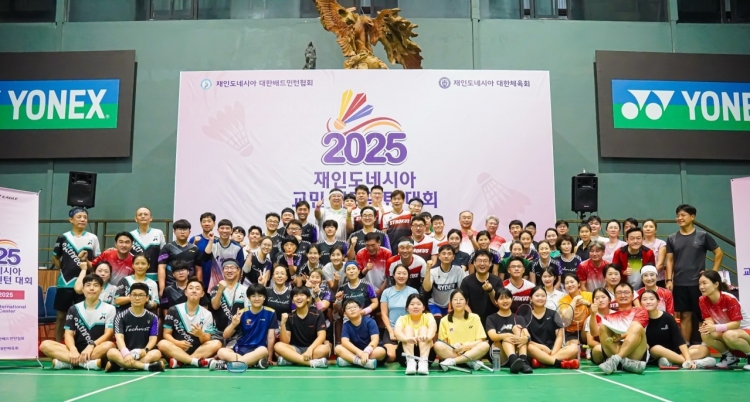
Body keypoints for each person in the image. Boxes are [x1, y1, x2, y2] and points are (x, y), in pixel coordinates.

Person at [666, 204, 723, 345]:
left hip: (699, 284)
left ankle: (705, 345)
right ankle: (685, 344)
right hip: (679, 283)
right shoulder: (672, 238)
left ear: (692, 217)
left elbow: (719, 253)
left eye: (683, 215)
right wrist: (669, 280)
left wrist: (712, 273)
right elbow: (669, 260)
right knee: (685, 315)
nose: (679, 218)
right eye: (678, 215)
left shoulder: (703, 236)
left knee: (702, 315)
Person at [40, 274, 116, 370]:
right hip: (75, 350)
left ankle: (69, 363)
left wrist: (91, 345)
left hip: (96, 349)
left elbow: (108, 334)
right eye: (88, 285)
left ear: (101, 289)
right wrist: (73, 349)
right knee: (45, 345)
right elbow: (68, 334)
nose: (91, 288)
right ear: (83, 289)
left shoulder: (110, 309)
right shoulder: (74, 309)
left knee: (109, 345)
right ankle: (85, 364)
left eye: (95, 285)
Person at [52, 207, 101, 342]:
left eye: (85, 217)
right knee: (61, 315)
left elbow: (96, 261)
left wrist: (87, 263)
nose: (82, 220)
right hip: (65, 283)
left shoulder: (93, 238)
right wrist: (64, 268)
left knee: (82, 316)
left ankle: (81, 344)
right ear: (71, 220)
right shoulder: (63, 237)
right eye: (79, 217)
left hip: (85, 284)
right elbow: (55, 257)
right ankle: (58, 344)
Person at [209, 284, 278, 371]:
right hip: (241, 349)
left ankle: (226, 365)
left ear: (264, 297)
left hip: (258, 350)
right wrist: (233, 324)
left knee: (264, 350)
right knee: (221, 352)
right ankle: (251, 363)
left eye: (260, 296)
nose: (257, 299)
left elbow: (271, 337)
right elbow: (225, 335)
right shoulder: (242, 313)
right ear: (249, 298)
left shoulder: (271, 312)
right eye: (253, 296)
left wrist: (269, 358)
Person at [641, 289, 715, 369]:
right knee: (656, 349)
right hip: (654, 353)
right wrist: (687, 359)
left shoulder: (668, 317)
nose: (648, 302)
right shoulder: (640, 319)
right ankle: (692, 362)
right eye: (644, 299)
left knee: (703, 349)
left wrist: (688, 357)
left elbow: (679, 340)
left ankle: (672, 361)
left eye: (652, 299)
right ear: (640, 302)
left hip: (674, 351)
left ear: (658, 301)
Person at [158, 277, 222, 368]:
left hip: (198, 350)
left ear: (202, 294)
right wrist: (177, 343)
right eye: (191, 288)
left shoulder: (207, 314)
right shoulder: (174, 310)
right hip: (178, 348)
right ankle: (195, 361)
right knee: (162, 343)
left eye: (197, 288)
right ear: (186, 292)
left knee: (217, 343)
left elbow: (206, 340)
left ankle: (181, 361)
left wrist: (201, 334)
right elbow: (166, 334)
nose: (194, 291)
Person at [104, 282, 164, 372]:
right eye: (134, 295)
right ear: (130, 297)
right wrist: (126, 354)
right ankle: (146, 366)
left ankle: (120, 366)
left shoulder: (153, 317)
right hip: (124, 352)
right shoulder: (120, 316)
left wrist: (145, 350)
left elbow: (153, 338)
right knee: (111, 352)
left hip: (143, 353)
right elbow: (119, 338)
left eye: (141, 295)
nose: (137, 298)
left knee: (157, 353)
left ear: (147, 298)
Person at [697, 270, 750, 370]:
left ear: (716, 284)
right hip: (728, 331)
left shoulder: (729, 298)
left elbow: (736, 324)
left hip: (745, 331)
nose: (701, 287)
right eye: (699, 284)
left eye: (704, 283)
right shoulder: (702, 300)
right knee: (705, 334)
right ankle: (730, 357)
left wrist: (715, 327)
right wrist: (708, 326)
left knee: (729, 334)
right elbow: (708, 319)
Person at [597, 282, 650, 375]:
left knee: (637, 327)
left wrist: (620, 337)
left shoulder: (640, 311)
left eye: (626, 292)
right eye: (619, 293)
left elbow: (634, 330)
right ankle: (627, 363)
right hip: (615, 349)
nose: (623, 295)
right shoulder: (608, 316)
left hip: (635, 351)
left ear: (632, 296)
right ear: (615, 297)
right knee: (602, 327)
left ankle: (615, 360)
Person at [436, 290, 492, 372]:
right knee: (437, 345)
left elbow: (480, 340)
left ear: (466, 302)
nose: (458, 302)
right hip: (454, 351)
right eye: (455, 299)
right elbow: (444, 342)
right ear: (450, 303)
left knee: (485, 345)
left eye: (461, 299)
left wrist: (465, 347)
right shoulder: (444, 320)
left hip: (471, 351)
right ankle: (468, 361)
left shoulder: (475, 318)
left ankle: (453, 361)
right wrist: (454, 346)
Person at [274, 287, 330, 368]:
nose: (298, 297)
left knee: (324, 349)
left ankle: (292, 360)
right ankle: (310, 363)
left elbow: (322, 336)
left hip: (313, 348)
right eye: (295, 296)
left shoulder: (318, 314)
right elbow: (285, 341)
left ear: (308, 298)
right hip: (295, 349)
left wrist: (310, 349)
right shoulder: (289, 317)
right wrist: (282, 323)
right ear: (292, 300)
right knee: (278, 346)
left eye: (302, 295)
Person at [526, 286, 580, 369]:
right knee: (528, 347)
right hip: (537, 349)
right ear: (531, 298)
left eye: (543, 296)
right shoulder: (526, 316)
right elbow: (527, 339)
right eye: (537, 296)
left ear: (546, 298)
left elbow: (559, 337)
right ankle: (557, 362)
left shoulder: (554, 314)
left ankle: (543, 361)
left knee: (574, 348)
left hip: (553, 350)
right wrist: (542, 347)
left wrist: (552, 352)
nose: (540, 298)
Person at [485, 288, 533, 374]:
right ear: (496, 301)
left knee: (518, 328)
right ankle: (513, 360)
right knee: (506, 338)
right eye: (501, 298)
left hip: (517, 352)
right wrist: (506, 335)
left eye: (507, 298)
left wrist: (525, 339)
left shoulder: (519, 318)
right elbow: (493, 336)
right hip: (499, 356)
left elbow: (527, 335)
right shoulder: (491, 318)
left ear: (512, 299)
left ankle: (523, 361)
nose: (505, 301)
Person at [380, 264, 419, 362]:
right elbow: (384, 314)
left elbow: (417, 313)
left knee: (406, 355)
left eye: (404, 273)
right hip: (392, 329)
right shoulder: (386, 292)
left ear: (408, 276)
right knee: (391, 356)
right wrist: (391, 331)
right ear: (393, 275)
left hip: (408, 329)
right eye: (399, 273)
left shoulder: (413, 291)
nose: (401, 276)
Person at [335, 299, 386, 369]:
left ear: (360, 309)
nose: (352, 309)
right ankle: (362, 362)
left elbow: (375, 340)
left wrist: (366, 352)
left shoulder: (370, 321)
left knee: (381, 352)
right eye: (349, 308)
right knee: (338, 348)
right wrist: (360, 353)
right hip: (356, 351)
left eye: (355, 307)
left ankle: (351, 360)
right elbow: (345, 342)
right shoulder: (346, 325)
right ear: (345, 313)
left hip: (371, 350)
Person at [394, 294, 437, 375]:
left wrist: (427, 337)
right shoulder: (402, 319)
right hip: (405, 355)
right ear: (407, 308)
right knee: (408, 328)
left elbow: (433, 328)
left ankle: (423, 363)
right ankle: (410, 362)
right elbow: (397, 332)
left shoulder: (428, 316)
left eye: (418, 304)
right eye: (412, 304)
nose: (415, 306)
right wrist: (407, 339)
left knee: (423, 328)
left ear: (423, 307)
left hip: (427, 355)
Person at [158, 219, 202, 298]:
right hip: (170, 285)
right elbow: (161, 267)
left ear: (189, 232)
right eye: (179, 229)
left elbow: (198, 269)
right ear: (174, 232)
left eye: (185, 229)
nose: (182, 232)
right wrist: (162, 288)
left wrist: (199, 286)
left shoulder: (195, 248)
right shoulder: (167, 247)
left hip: (189, 287)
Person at [208, 259, 248, 344]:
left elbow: (249, 311)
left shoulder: (245, 290)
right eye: (226, 268)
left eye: (232, 268)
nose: (229, 270)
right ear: (222, 271)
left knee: (230, 349)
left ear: (238, 271)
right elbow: (215, 306)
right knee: (214, 346)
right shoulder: (215, 288)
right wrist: (220, 290)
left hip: (238, 333)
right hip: (218, 332)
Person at [423, 245, 468, 320]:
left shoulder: (459, 270)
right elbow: (427, 289)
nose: (446, 256)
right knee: (437, 321)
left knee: (452, 321)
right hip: (435, 304)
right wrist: (427, 269)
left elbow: (463, 290)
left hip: (452, 304)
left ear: (453, 257)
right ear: (439, 256)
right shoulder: (433, 271)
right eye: (443, 253)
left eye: (449, 254)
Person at [459, 249, 501, 328]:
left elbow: (499, 304)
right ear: (474, 263)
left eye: (485, 261)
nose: (482, 263)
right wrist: (473, 318)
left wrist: (491, 290)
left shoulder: (497, 281)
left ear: (490, 263)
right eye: (479, 261)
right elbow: (462, 302)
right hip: (472, 320)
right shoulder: (466, 281)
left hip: (493, 322)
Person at [200, 219, 245, 290]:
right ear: (218, 230)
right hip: (214, 284)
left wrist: (235, 287)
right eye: (222, 228)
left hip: (231, 285)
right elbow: (205, 259)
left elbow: (239, 269)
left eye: (227, 228)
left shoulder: (237, 248)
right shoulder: (213, 244)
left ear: (231, 231)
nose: (224, 231)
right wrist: (211, 240)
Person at [130, 207, 166, 281]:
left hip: (155, 276)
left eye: (145, 214)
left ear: (151, 218)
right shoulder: (131, 235)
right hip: (135, 277)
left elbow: (163, 256)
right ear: (136, 219)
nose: (143, 216)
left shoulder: (158, 233)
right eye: (140, 214)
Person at [558, 274, 592, 348]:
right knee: (574, 346)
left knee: (588, 321)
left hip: (586, 330)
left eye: (572, 282)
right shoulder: (563, 300)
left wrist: (589, 305)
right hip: (570, 331)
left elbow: (594, 315)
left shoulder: (589, 295)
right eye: (567, 283)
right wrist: (574, 300)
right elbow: (567, 318)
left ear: (579, 283)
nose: (569, 285)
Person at [353, 232, 392, 296]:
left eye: (373, 245)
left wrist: (380, 291)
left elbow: (389, 276)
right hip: (366, 289)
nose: (370, 248)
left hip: (384, 288)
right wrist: (366, 269)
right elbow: (358, 276)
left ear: (379, 243)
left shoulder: (387, 253)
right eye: (367, 245)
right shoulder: (360, 253)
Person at [191, 212, 217, 288]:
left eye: (209, 221)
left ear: (214, 223)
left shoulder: (218, 240)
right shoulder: (194, 239)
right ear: (200, 224)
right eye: (204, 221)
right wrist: (194, 244)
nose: (206, 224)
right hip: (198, 277)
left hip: (215, 278)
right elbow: (189, 257)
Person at [381, 190, 412, 254]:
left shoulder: (409, 214)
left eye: (399, 199)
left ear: (403, 200)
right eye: (394, 199)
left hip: (407, 247)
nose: (396, 201)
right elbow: (384, 235)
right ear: (391, 201)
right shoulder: (385, 216)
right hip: (392, 247)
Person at [642, 219, 667, 287]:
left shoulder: (661, 243)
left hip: (657, 279)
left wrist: (650, 276)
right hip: (642, 279)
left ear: (655, 230)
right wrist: (644, 276)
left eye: (651, 226)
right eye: (645, 226)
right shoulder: (639, 243)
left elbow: (660, 264)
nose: (648, 229)